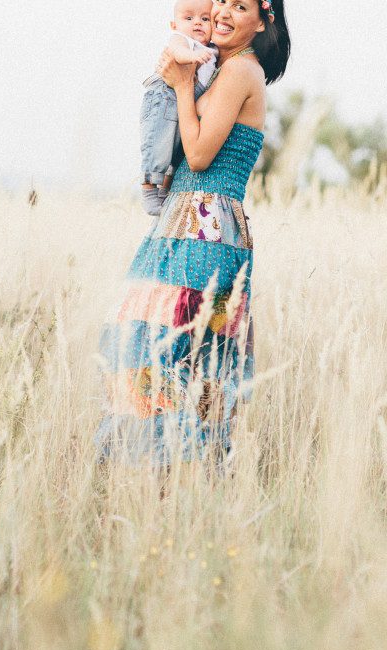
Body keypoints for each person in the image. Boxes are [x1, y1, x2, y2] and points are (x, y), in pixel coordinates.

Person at [94, 0, 290, 466]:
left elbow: (199, 156)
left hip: (205, 226)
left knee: (171, 345)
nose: (222, 12)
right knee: (168, 345)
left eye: (241, 6)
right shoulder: (222, 68)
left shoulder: (243, 70)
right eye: (221, 1)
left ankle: (172, 472)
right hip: (187, 224)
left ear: (263, 21)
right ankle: (171, 478)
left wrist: (182, 86)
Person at [140, 0, 218, 215]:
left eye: (205, 19)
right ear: (174, 24)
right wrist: (192, 56)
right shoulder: (181, 40)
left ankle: (165, 190)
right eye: (189, 18)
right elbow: (177, 52)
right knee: (159, 142)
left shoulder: (211, 49)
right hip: (165, 96)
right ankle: (148, 189)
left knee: (178, 149)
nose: (197, 23)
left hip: (186, 100)